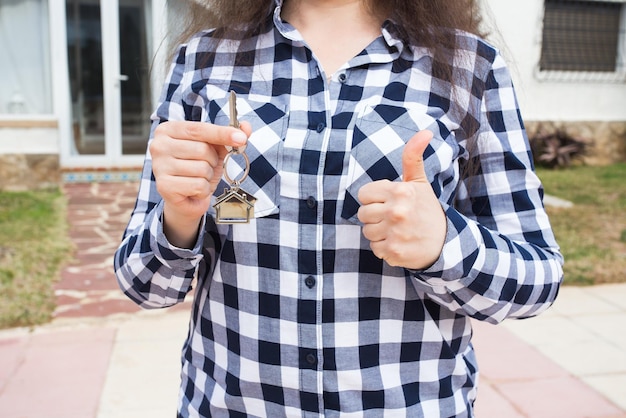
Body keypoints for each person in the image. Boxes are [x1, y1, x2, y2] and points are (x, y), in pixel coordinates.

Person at [114, 0, 564, 416]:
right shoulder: (205, 60)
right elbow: (144, 285)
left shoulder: (469, 67)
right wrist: (181, 216)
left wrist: (443, 244)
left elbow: (537, 278)